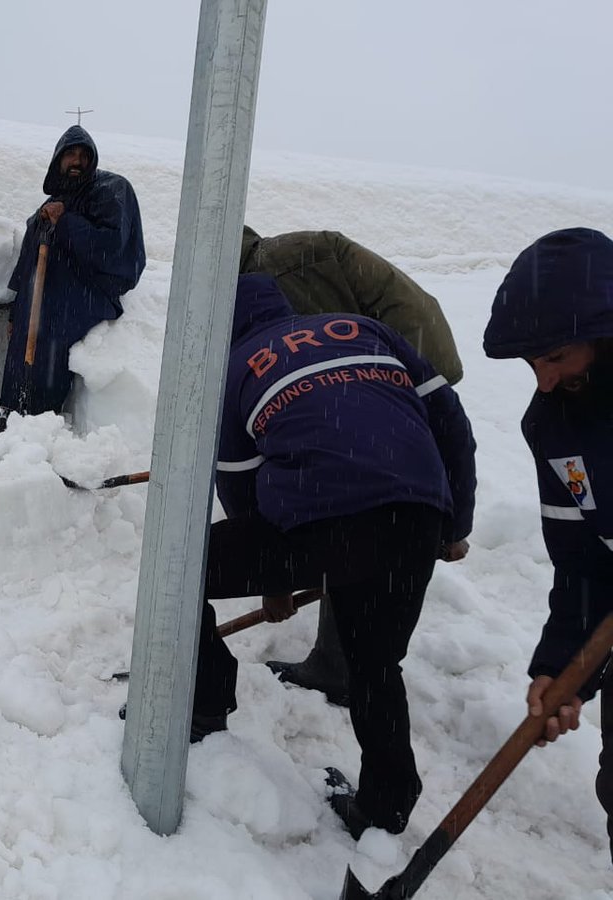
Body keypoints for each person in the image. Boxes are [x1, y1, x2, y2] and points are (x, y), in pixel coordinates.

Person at [196, 273, 476, 839]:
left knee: (180, 567)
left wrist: (274, 582)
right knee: (375, 663)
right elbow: (452, 424)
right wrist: (454, 523)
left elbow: (241, 490)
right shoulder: (367, 331)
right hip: (413, 516)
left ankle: (201, 705)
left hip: (321, 519)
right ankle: (386, 806)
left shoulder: (236, 367)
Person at [239, 226, 465, 707]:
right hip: (397, 358)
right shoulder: (281, 255)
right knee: (361, 507)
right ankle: (352, 656)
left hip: (391, 369)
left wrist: (273, 580)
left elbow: (309, 377)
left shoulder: (273, 275)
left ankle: (345, 665)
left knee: (350, 505)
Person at [482, 226, 613, 864]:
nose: (545, 380)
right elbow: (582, 560)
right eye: (533, 363)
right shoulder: (555, 425)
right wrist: (562, 667)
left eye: (557, 355)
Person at [0, 125, 145, 440]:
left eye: (84, 155)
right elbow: (28, 265)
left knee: (50, 327)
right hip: (47, 292)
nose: (77, 161)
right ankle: (9, 418)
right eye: (70, 154)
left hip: (93, 291)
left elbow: (112, 249)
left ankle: (38, 420)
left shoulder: (112, 189)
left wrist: (67, 221)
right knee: (24, 342)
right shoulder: (48, 207)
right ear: (57, 160)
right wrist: (17, 314)